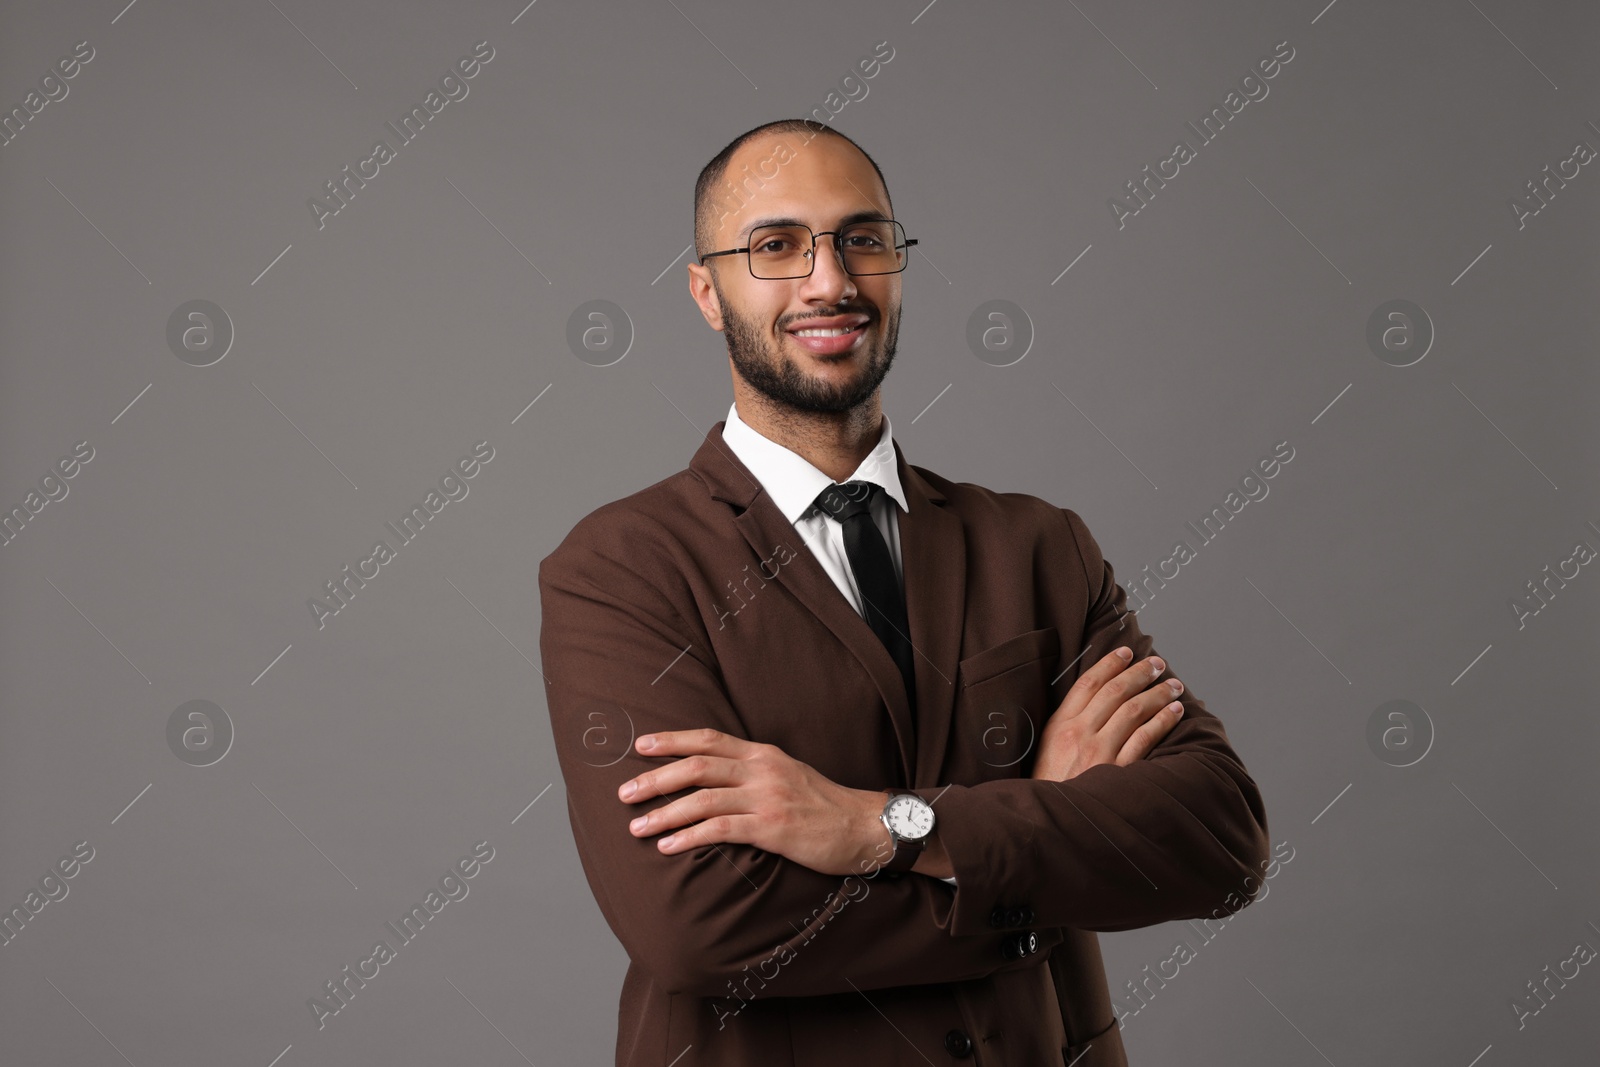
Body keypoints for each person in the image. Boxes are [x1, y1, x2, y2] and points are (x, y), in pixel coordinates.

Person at [538, 118, 1271, 1067]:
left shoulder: (1039, 545)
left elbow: (1219, 842)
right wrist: (1031, 854)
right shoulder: (622, 568)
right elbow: (699, 927)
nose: (831, 281)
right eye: (776, 246)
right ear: (706, 291)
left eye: (863, 238)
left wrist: (876, 826)